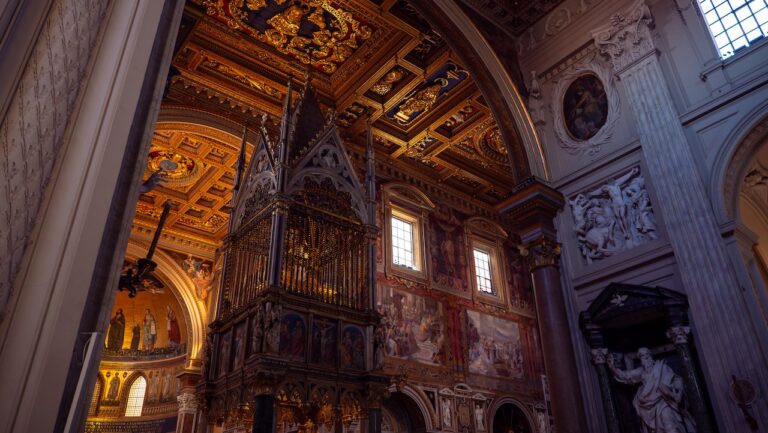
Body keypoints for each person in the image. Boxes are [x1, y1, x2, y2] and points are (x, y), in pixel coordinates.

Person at [608, 348, 696, 433]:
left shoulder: (662, 367)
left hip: (665, 401)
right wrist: (612, 368)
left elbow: (676, 380)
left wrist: (677, 392)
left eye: (647, 354)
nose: (646, 357)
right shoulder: (641, 372)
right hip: (648, 406)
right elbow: (626, 376)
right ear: (640, 359)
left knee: (670, 425)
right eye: (642, 355)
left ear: (650, 356)